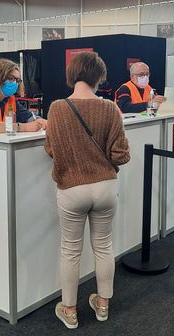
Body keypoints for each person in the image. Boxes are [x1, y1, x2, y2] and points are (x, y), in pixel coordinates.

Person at [44, 51, 130, 329]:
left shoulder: (57, 108)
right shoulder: (110, 108)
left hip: (71, 188)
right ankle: (102, 304)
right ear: (100, 77)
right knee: (104, 246)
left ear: (71, 74)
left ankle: (69, 310)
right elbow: (121, 155)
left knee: (70, 250)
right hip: (106, 186)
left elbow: (50, 149)